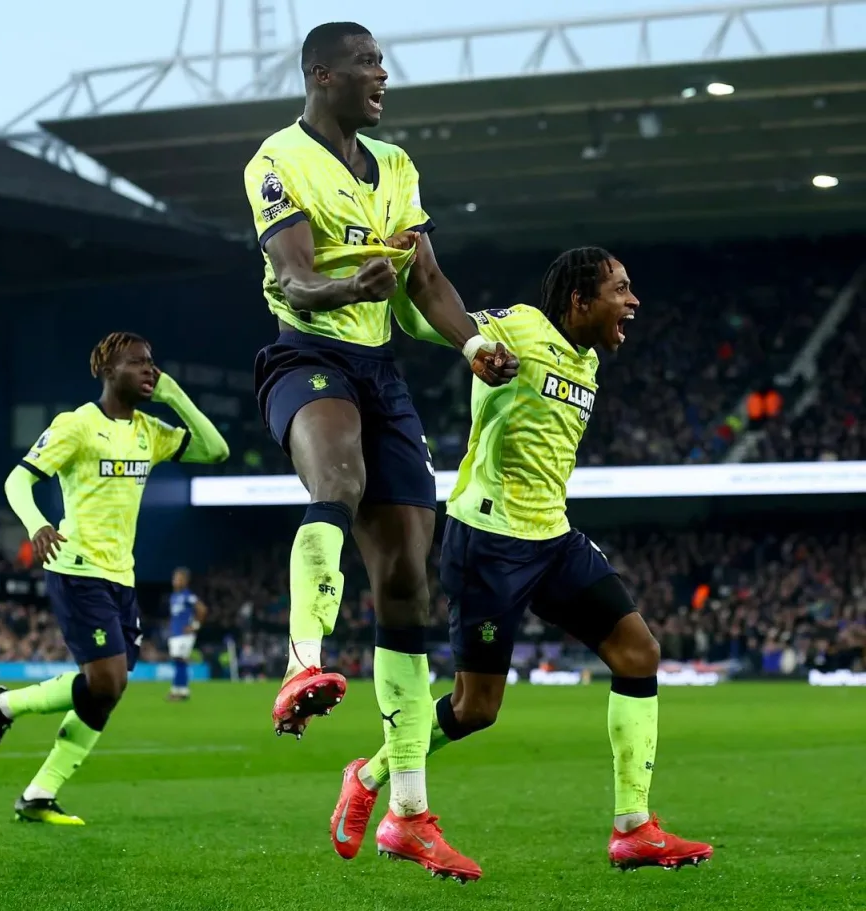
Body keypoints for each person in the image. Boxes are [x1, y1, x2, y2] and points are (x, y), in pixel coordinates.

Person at [330, 248, 714, 873]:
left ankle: (633, 827)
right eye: (620, 289)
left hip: (553, 538)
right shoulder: (520, 326)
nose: (633, 301)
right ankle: (370, 775)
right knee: (476, 709)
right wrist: (446, 319)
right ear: (579, 301)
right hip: (489, 540)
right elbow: (425, 320)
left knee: (639, 652)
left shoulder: (587, 361)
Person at [243, 21, 517, 882]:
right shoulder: (275, 160)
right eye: (366, 63)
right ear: (321, 74)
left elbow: (426, 280)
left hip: (379, 366)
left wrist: (475, 346)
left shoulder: (394, 166)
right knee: (340, 476)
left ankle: (406, 810)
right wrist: (345, 285)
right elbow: (292, 278)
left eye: (383, 63)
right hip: (306, 351)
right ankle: (302, 663)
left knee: (408, 575)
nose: (382, 74)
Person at [0, 332, 228, 825]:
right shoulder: (77, 426)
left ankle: (36, 787)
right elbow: (17, 479)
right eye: (138, 364)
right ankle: (5, 709)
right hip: (77, 568)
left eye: (153, 364)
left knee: (106, 691)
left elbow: (216, 451)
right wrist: (37, 525)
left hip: (122, 576)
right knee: (107, 680)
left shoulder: (150, 432)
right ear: (109, 371)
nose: (149, 371)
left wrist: (175, 395)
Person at [166, 566, 207, 701]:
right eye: (174, 578)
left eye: (178, 578)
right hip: (176, 634)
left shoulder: (188, 596)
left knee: (181, 660)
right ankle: (178, 690)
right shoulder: (174, 597)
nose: (175, 581)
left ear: (185, 581)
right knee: (178, 661)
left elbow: (202, 609)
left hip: (185, 634)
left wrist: (195, 626)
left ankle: (181, 691)